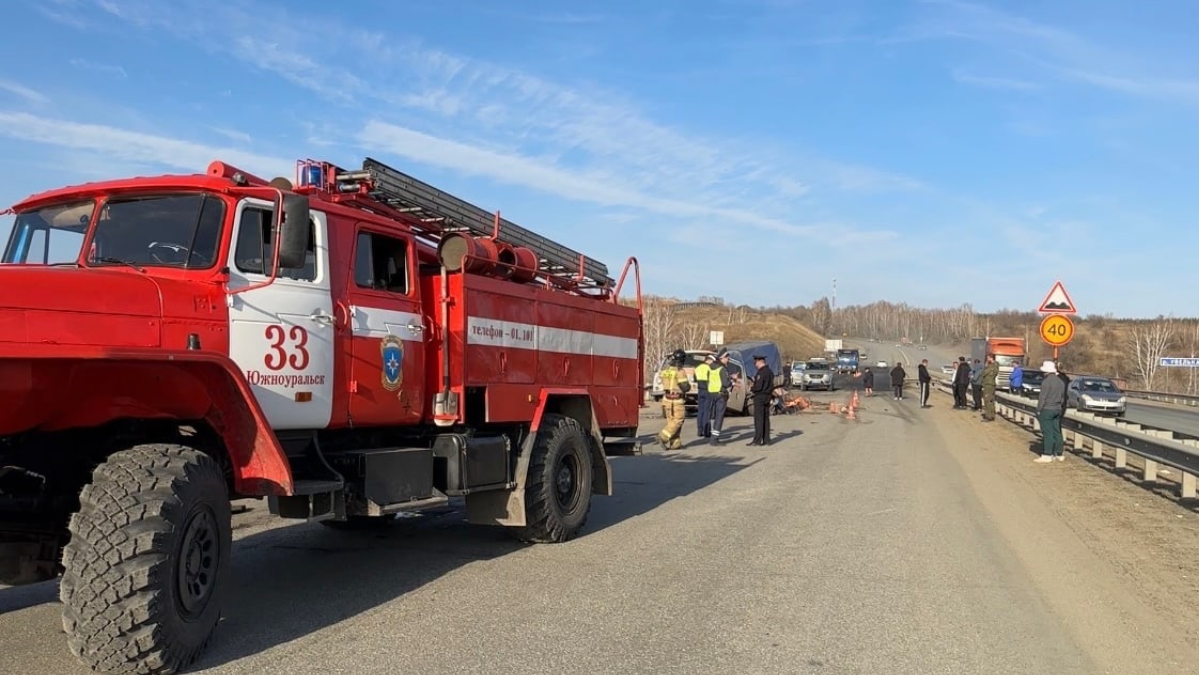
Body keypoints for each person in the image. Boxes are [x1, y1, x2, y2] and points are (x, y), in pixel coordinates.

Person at [655, 349, 691, 450]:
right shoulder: (680, 371)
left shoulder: (665, 371)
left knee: (671, 422)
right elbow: (685, 387)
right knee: (678, 421)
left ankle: (675, 444)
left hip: (666, 399)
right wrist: (688, 386)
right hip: (677, 400)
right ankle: (663, 436)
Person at [1035, 359, 1067, 462]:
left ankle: (1047, 454)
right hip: (1057, 409)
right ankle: (1059, 453)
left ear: (1046, 372)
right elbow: (1063, 397)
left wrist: (1039, 410)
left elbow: (1042, 398)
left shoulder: (1046, 382)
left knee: (1047, 432)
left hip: (1047, 409)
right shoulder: (1060, 382)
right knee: (1057, 431)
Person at [707, 349, 733, 445]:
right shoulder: (722, 368)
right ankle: (714, 439)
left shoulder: (710, 367)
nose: (728, 359)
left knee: (712, 416)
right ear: (722, 358)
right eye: (727, 357)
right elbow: (726, 383)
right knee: (719, 416)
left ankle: (712, 435)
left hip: (711, 393)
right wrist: (731, 380)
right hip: (720, 394)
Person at [749, 354, 774, 446]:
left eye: (755, 362)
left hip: (760, 397)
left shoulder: (761, 372)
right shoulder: (770, 372)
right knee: (766, 419)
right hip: (768, 396)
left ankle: (757, 440)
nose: (755, 365)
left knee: (759, 419)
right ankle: (767, 439)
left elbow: (758, 387)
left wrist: (752, 387)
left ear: (760, 362)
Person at [694, 354, 713, 438]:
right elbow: (711, 379)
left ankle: (699, 430)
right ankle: (706, 431)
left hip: (700, 390)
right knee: (706, 411)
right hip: (707, 390)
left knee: (700, 411)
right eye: (711, 361)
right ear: (708, 360)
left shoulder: (697, 368)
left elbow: (695, 379)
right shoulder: (709, 368)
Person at [981, 355, 999, 422]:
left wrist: (986, 365)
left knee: (987, 400)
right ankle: (992, 415)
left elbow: (983, 373)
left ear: (991, 358)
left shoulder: (991, 366)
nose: (987, 359)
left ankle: (988, 416)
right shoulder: (996, 365)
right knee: (991, 400)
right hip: (991, 384)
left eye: (988, 358)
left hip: (988, 384)